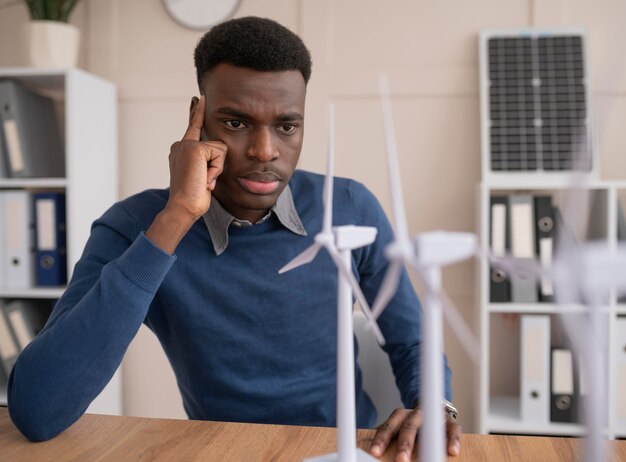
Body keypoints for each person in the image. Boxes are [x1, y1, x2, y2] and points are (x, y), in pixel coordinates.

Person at [8, 16, 462, 460]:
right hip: (224, 451)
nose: (265, 151)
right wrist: (177, 217)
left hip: (344, 450)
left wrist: (434, 404)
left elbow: (412, 338)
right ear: (197, 118)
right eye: (237, 123)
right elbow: (39, 411)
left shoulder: (349, 207)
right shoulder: (137, 225)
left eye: (287, 126)